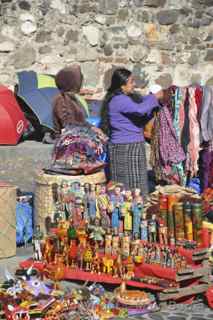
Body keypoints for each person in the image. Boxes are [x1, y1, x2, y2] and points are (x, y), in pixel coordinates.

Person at [100, 68, 163, 199]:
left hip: (131, 145)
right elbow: (139, 110)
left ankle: (137, 211)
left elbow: (139, 118)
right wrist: (153, 97)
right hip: (125, 147)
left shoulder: (126, 99)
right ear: (122, 84)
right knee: (127, 186)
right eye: (131, 82)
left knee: (136, 184)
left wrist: (152, 106)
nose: (134, 84)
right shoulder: (119, 100)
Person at [52, 64, 103, 139]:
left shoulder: (72, 98)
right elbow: (67, 123)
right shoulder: (61, 99)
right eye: (78, 80)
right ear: (71, 81)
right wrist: (88, 131)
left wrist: (92, 127)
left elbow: (81, 121)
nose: (80, 83)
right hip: (67, 141)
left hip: (76, 136)